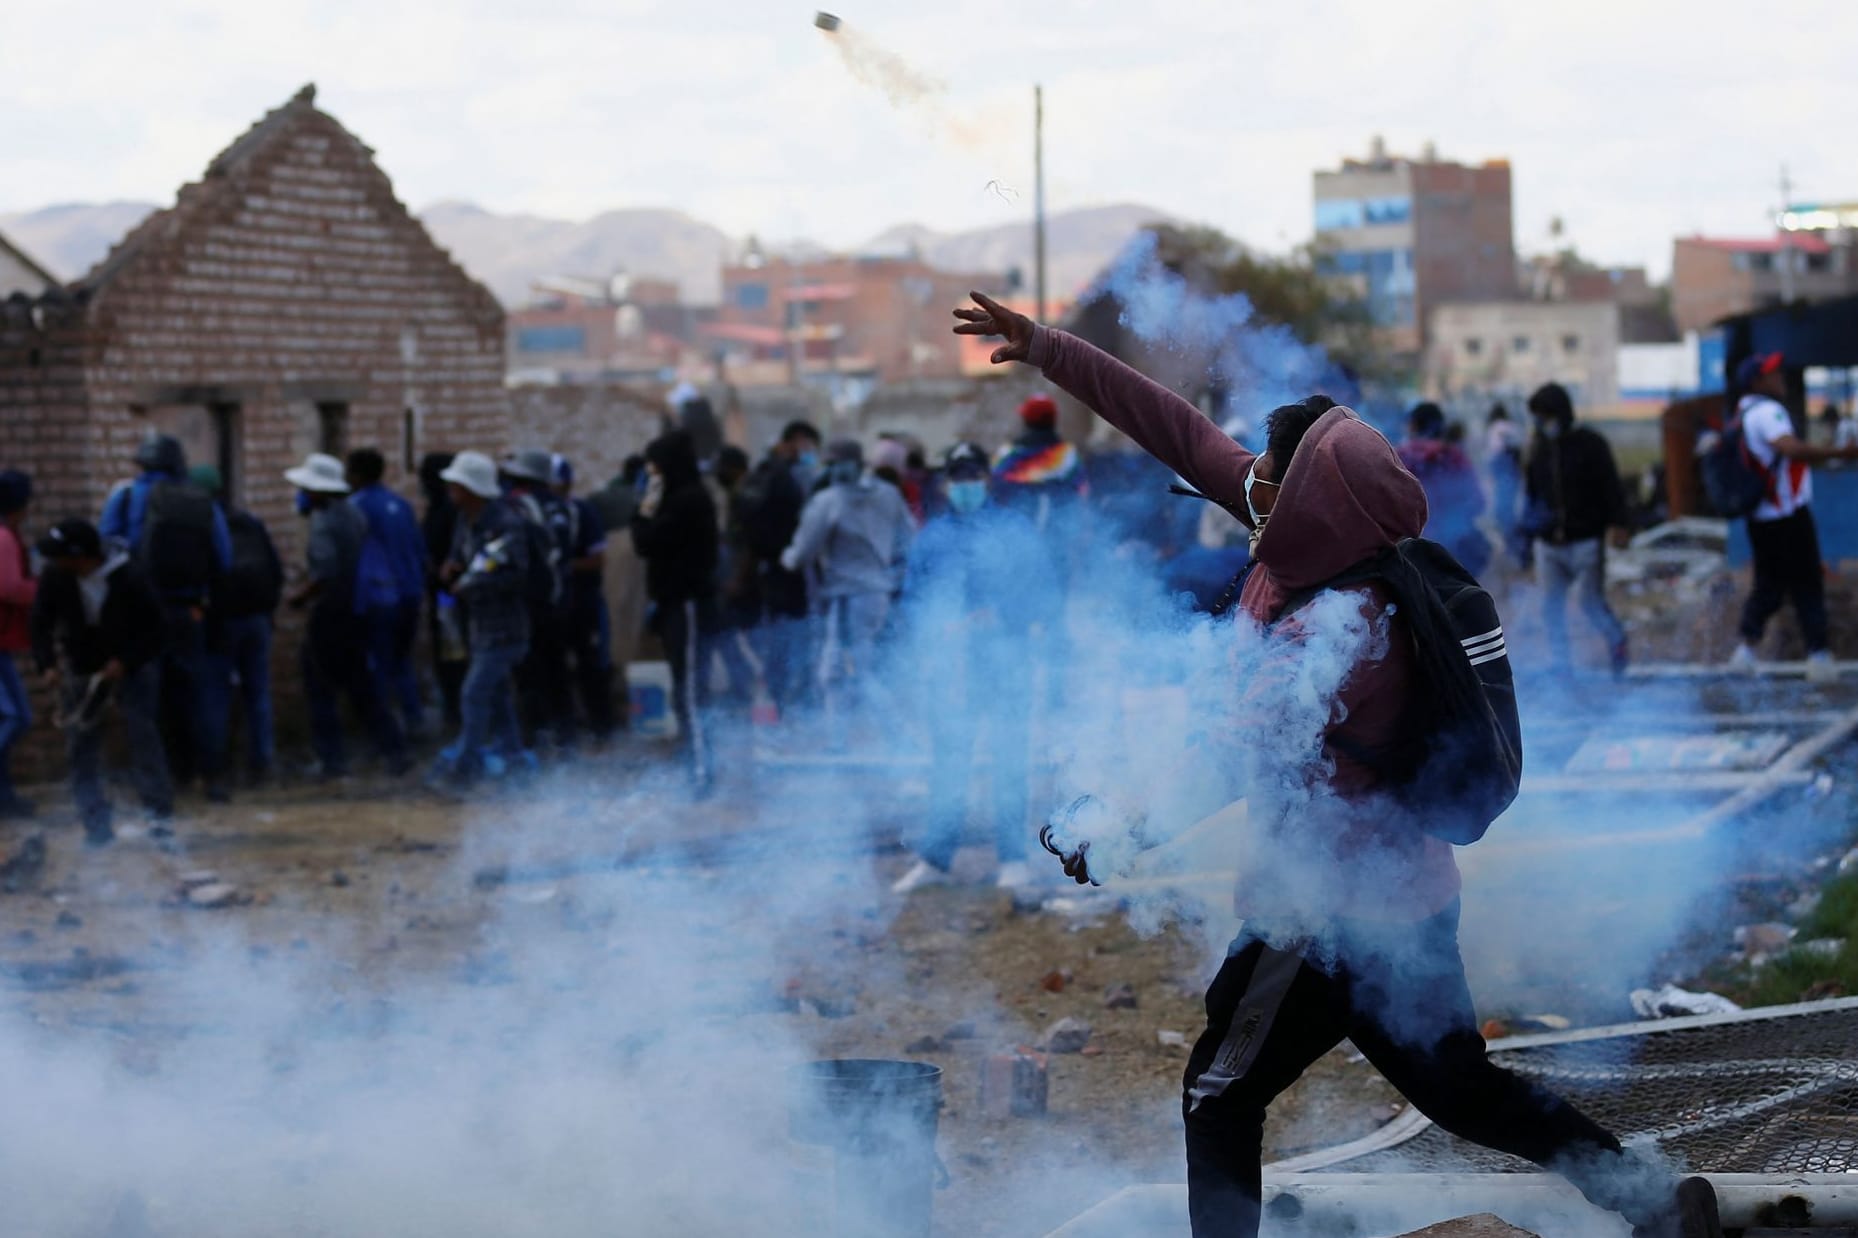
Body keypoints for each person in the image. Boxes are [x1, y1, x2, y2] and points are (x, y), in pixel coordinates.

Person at [952, 290, 1720, 1238]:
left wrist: (1110, 831)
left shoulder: (1342, 630)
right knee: (1460, 1090)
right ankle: (1649, 1200)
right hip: (1412, 902)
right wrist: (1049, 349)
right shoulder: (1319, 538)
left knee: (1219, 1092)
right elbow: (1180, 432)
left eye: (1267, 471)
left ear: (1308, 494)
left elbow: (1229, 760)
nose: (1247, 481)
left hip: (1314, 918)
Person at [891, 442, 1053, 893]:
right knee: (948, 762)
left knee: (1009, 760)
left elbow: (1043, 592)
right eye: (957, 477)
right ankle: (935, 859)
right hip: (952, 667)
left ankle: (1014, 859)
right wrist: (930, 636)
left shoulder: (1014, 531)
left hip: (1007, 662)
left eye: (972, 476)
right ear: (947, 483)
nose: (965, 485)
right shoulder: (932, 537)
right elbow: (912, 599)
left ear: (986, 479)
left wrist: (1003, 617)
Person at [100, 433, 233, 802]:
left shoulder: (125, 497)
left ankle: (157, 787)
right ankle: (210, 777)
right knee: (195, 695)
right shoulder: (201, 502)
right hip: (186, 613)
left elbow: (105, 554)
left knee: (143, 703)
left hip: (139, 618)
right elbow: (223, 560)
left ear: (141, 463)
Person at [31, 519, 172, 845]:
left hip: (132, 665)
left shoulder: (130, 575)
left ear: (81, 557)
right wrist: (47, 664)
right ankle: (96, 825)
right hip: (84, 665)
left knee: (143, 736)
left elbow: (158, 629)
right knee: (81, 744)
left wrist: (125, 661)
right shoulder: (57, 577)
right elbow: (40, 621)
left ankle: (159, 818)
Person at [1729, 354, 1858, 677]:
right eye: (1772, 373)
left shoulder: (1743, 412)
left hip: (1763, 515)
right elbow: (1793, 450)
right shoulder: (1768, 412)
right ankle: (1818, 655)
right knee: (1806, 583)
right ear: (1757, 381)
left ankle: (1745, 650)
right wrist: (1841, 453)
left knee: (1770, 584)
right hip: (1785, 512)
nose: (1780, 377)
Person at [781, 439, 916, 746]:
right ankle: (843, 738)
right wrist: (891, 577)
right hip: (878, 593)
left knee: (842, 670)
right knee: (856, 667)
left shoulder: (829, 501)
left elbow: (801, 553)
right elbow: (908, 540)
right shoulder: (888, 493)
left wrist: (785, 558)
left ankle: (891, 735)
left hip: (847, 596)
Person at [284, 454, 408, 779]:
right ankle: (394, 749)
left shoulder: (324, 522)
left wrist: (299, 597)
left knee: (320, 686)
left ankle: (332, 760)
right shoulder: (354, 514)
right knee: (362, 686)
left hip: (331, 613)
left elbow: (324, 572)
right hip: (358, 609)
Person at [432, 451, 532, 786]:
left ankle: (467, 765)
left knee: (474, 693)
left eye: (456, 485)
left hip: (505, 628)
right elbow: (463, 556)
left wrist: (474, 586)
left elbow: (517, 574)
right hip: (479, 625)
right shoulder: (466, 520)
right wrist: (453, 568)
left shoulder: (506, 523)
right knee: (498, 695)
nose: (450, 490)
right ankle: (514, 757)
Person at [1520, 383, 1632, 676]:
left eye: (1545, 415)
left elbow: (1611, 486)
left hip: (1586, 540)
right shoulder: (1538, 450)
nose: (1541, 423)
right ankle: (1561, 664)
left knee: (1590, 601)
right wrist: (1526, 538)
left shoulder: (1591, 444)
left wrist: (1619, 523)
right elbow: (1532, 496)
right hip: (1548, 544)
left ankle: (1617, 645)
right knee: (1550, 607)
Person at [631, 430, 719, 793]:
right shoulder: (679, 497)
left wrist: (645, 508)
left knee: (692, 690)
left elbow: (645, 541)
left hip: (689, 604)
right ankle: (694, 761)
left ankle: (701, 771)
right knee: (685, 687)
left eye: (656, 468)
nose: (652, 475)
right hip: (674, 603)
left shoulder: (688, 500)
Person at [193, 465, 283, 785]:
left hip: (222, 621)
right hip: (258, 618)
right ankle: (263, 763)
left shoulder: (202, 526)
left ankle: (217, 768)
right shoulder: (249, 522)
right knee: (258, 693)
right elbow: (275, 568)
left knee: (216, 693)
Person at [736, 421, 822, 711]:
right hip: (789, 571)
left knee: (780, 641)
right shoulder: (788, 478)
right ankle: (793, 702)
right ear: (794, 442)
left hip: (774, 570)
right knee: (792, 640)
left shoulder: (766, 474)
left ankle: (784, 699)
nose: (809, 451)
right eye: (806, 444)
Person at [347, 448, 429, 739]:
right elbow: (419, 550)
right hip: (410, 592)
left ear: (355, 475)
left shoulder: (356, 506)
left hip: (380, 597)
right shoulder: (401, 504)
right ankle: (414, 719)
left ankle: (385, 734)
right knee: (401, 661)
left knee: (378, 665)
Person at [501, 449, 578, 752]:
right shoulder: (567, 508)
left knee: (529, 674)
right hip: (561, 601)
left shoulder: (516, 506)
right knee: (558, 671)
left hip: (528, 603)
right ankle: (566, 737)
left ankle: (537, 737)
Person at [552, 453, 615, 740]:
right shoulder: (537, 511)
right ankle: (566, 728)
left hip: (583, 600)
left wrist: (562, 567)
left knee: (590, 662)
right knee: (557, 668)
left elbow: (598, 558)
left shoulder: (581, 511)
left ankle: (602, 725)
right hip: (555, 605)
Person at [1397, 402, 1489, 578]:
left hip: (1409, 552)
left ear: (1413, 426)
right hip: (1454, 551)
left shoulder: (1398, 456)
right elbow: (1478, 502)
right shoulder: (1454, 456)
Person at [418, 452, 468, 730]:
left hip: (450, 596)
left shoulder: (449, 512)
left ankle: (458, 715)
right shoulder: (440, 509)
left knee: (453, 656)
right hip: (444, 595)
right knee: (450, 655)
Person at [0, 471, 38, 818]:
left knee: (17, 716)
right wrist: (40, 590)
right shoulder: (4, 539)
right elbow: (9, 588)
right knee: (15, 717)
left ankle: (6, 796)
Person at [992, 393, 1087, 529]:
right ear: (1053, 421)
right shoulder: (1066, 455)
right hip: (1059, 530)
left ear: (1025, 420)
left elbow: (995, 489)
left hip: (1014, 531)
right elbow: (1081, 493)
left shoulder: (1008, 454)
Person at [1484, 404, 1524, 564]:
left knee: (1503, 513)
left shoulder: (1496, 428)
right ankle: (1515, 550)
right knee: (1510, 512)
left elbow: (1495, 452)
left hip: (1503, 473)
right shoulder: (1513, 427)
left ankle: (1512, 551)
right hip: (1512, 474)